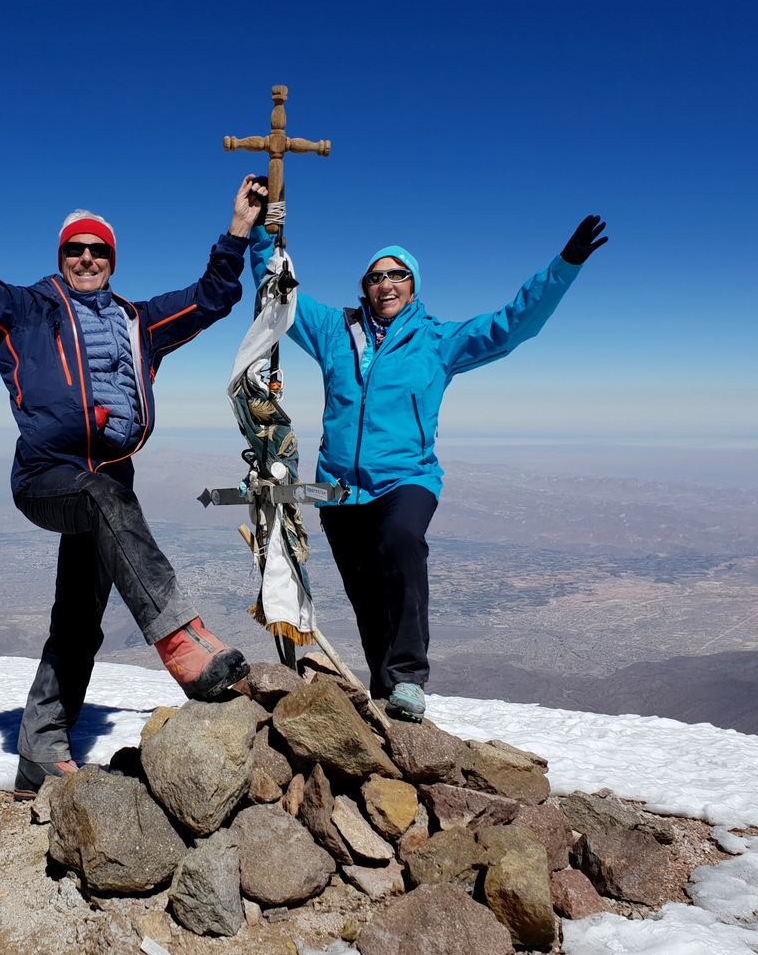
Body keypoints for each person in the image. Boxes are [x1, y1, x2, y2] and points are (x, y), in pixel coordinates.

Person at [0, 118, 266, 795]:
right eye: (76, 250)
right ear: (62, 256)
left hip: (110, 485)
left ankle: (40, 752)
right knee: (103, 495)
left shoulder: (139, 322)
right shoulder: (24, 308)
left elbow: (212, 298)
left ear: (113, 261)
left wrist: (238, 230)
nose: (87, 259)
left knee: (79, 621)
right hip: (48, 480)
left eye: (99, 252)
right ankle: (181, 640)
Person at [248, 214, 608, 722]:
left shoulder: (437, 342)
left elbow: (512, 323)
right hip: (340, 490)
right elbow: (277, 292)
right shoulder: (334, 331)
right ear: (364, 288)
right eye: (376, 277)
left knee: (402, 544)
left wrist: (564, 266)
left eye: (397, 275)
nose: (386, 284)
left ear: (413, 286)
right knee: (367, 597)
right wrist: (264, 235)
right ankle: (386, 689)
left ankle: (411, 677)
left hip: (406, 481)